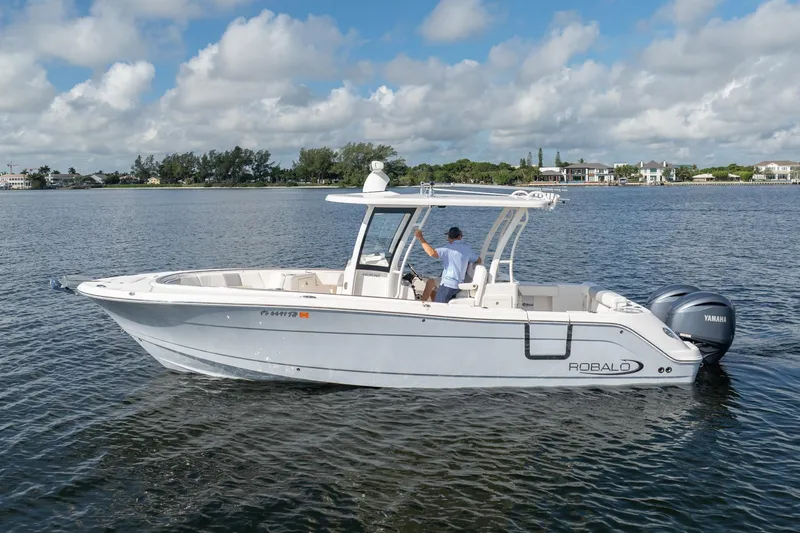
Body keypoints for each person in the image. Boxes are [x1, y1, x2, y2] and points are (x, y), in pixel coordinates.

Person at [414, 226, 481, 303]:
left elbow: (432, 253)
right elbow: (478, 260)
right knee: (431, 282)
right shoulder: (467, 249)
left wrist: (420, 238)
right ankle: (423, 303)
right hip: (458, 284)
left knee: (438, 306)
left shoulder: (447, 249)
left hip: (448, 285)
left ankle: (428, 306)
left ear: (449, 237)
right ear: (460, 237)